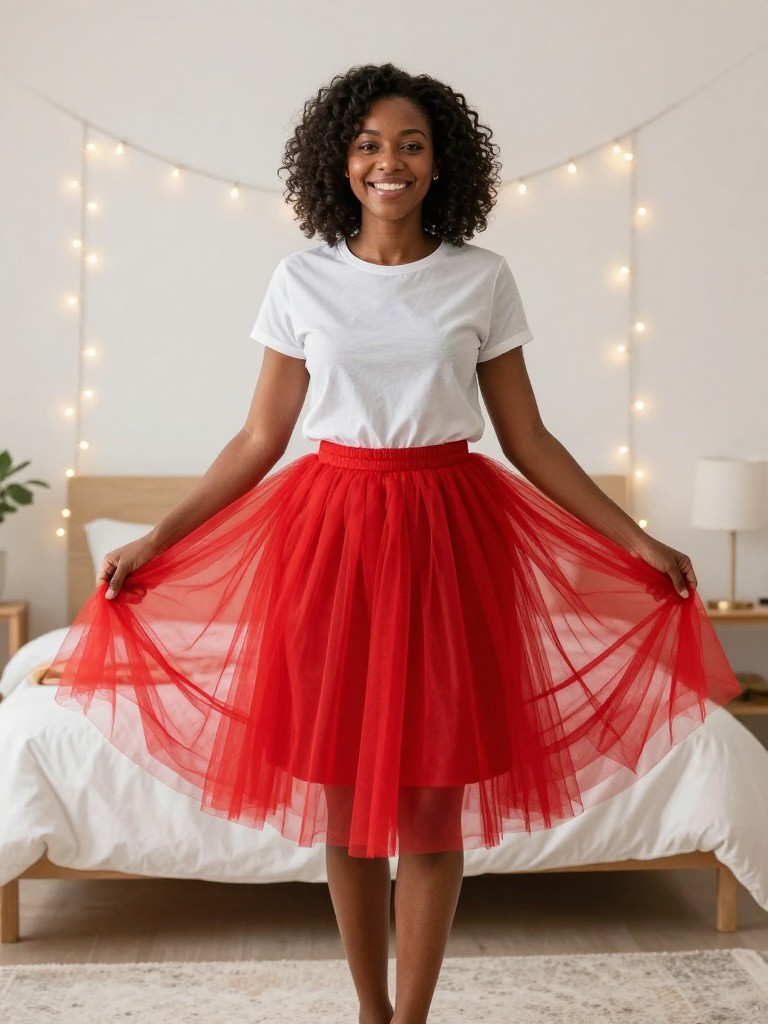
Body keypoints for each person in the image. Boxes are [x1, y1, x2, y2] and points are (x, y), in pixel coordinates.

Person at [48, 63, 743, 1024]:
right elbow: (260, 436)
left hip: (453, 541)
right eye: (370, 143)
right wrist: (162, 535)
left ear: (439, 162)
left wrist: (636, 537)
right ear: (339, 160)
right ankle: (368, 1011)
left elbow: (528, 437)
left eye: (411, 144)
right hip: (328, 542)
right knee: (347, 803)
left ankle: (409, 1019)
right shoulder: (301, 278)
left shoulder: (481, 277)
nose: (390, 162)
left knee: (430, 806)